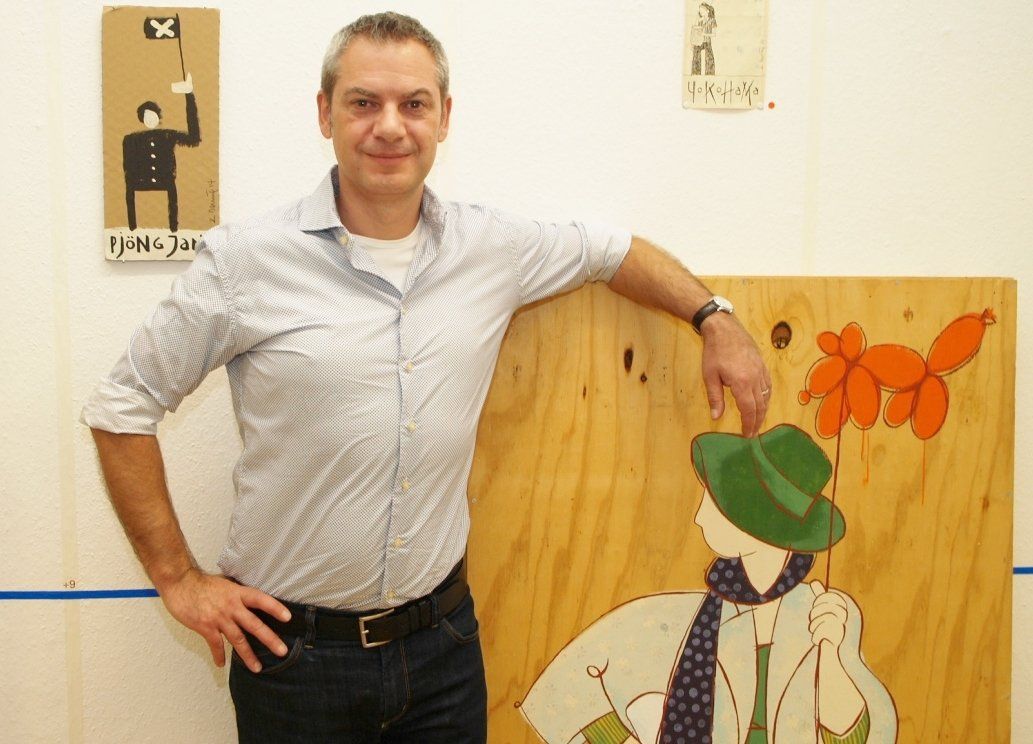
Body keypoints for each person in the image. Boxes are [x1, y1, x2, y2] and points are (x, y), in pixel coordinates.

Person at [84, 12, 771, 744]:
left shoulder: (491, 248)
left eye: (413, 104)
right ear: (324, 113)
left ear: (444, 117)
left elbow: (611, 251)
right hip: (294, 662)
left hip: (442, 652)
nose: (390, 126)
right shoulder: (245, 262)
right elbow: (122, 405)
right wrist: (179, 579)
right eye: (363, 102)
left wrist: (712, 316)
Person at [520, 424, 897, 744]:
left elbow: (863, 735)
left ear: (754, 520)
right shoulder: (685, 619)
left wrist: (829, 656)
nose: (700, 517)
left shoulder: (826, 613)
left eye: (714, 500)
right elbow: (575, 697)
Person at [122, 73, 200, 232]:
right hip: (139, 183)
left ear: (158, 116)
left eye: (152, 115)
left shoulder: (167, 135)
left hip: (166, 181)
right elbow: (128, 168)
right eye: (146, 116)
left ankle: (174, 228)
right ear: (142, 119)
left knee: (171, 196)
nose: (150, 119)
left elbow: (194, 138)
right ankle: (132, 228)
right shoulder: (131, 139)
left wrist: (189, 95)